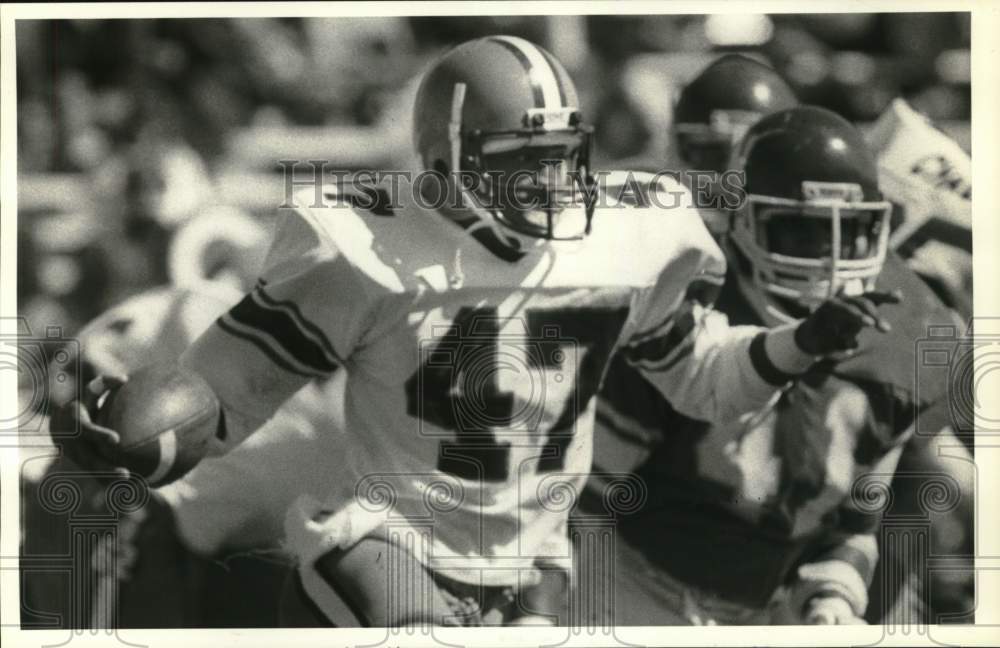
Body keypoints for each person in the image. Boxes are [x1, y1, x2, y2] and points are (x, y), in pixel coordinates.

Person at [51, 37, 897, 628]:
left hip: (535, 565)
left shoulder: (628, 240)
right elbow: (235, 380)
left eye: (563, 156)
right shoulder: (370, 250)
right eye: (520, 162)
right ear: (447, 162)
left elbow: (702, 377)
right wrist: (157, 439)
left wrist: (797, 346)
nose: (551, 183)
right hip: (387, 543)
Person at [595, 105, 959, 625]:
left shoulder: (910, 333)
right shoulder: (691, 302)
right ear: (741, 220)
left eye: (849, 230)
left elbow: (852, 528)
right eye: (799, 232)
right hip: (631, 587)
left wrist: (831, 598)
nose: (827, 259)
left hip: (769, 609)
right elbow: (583, 502)